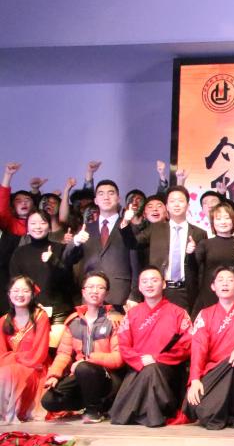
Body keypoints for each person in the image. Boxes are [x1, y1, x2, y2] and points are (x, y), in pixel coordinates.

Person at [180, 267, 234, 430]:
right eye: (220, 280)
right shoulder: (205, 314)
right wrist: (195, 379)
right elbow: (198, 350)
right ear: (213, 287)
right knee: (202, 409)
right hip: (216, 369)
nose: (225, 283)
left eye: (230, 280)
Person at [109, 267, 192, 427]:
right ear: (139, 287)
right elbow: (124, 345)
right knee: (148, 370)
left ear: (164, 284)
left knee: (152, 369)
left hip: (168, 370)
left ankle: (133, 413)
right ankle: (148, 415)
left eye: (154, 280)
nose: (149, 284)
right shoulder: (132, 314)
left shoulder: (178, 313)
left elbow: (187, 344)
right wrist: (140, 360)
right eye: (145, 281)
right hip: (138, 368)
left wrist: (157, 358)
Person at [41, 272, 123, 423]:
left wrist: (88, 360)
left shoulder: (114, 321)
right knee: (49, 401)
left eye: (100, 287)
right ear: (83, 292)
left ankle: (94, 411)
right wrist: (54, 375)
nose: (95, 291)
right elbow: (63, 353)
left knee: (84, 368)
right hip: (81, 374)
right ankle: (93, 404)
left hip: (108, 378)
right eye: (90, 287)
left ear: (107, 293)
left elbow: (118, 359)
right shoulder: (74, 321)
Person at [120, 185, 207, 312]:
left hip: (187, 291)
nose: (176, 204)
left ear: (188, 206)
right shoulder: (156, 228)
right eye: (172, 201)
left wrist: (193, 253)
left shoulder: (199, 233)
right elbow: (133, 244)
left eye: (180, 201)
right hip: (159, 290)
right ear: (167, 206)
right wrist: (126, 222)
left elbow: (202, 267)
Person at [64, 179, 138, 308]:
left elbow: (136, 263)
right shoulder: (86, 228)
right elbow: (67, 259)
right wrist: (75, 241)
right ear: (96, 200)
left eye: (111, 193)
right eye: (101, 193)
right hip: (91, 295)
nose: (106, 197)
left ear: (118, 198)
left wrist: (134, 295)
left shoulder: (129, 227)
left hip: (120, 295)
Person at [10, 209, 74, 342]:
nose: (38, 227)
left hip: (58, 310)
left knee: (55, 349)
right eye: (33, 223)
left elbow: (69, 280)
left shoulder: (60, 248)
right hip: (30, 310)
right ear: (27, 227)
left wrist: (53, 261)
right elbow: (15, 284)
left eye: (42, 222)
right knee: (31, 349)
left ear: (49, 227)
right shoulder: (20, 253)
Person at [0, 276, 50, 423]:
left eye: (25, 291)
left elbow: (39, 353)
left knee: (10, 372)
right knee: (7, 371)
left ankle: (10, 413)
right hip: (11, 367)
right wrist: (13, 359)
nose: (20, 294)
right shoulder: (3, 321)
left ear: (32, 294)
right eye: (15, 290)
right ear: (9, 294)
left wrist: (14, 358)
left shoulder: (40, 317)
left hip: (36, 368)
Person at [193, 203, 234, 313]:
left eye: (227, 218)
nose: (223, 222)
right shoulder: (204, 244)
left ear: (233, 221)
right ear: (213, 222)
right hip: (208, 297)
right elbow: (193, 270)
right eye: (218, 219)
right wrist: (189, 253)